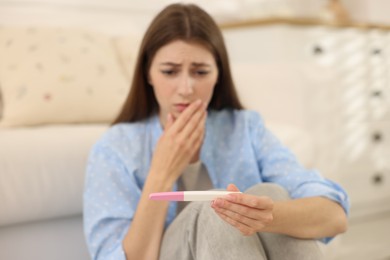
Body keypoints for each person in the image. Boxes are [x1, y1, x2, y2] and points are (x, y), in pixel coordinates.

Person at [83, 3, 349, 260]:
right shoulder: (115, 148)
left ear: (218, 74)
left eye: (200, 72)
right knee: (216, 210)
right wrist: (161, 173)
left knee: (271, 195)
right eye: (169, 72)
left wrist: (268, 216)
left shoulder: (244, 128)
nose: (186, 87)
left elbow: (334, 216)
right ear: (148, 74)